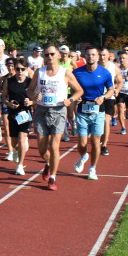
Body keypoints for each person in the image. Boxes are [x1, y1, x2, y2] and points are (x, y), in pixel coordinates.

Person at [27, 44, 82, 191]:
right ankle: (48, 163)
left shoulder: (65, 73)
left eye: (52, 54)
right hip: (41, 110)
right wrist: (34, 96)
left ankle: (53, 178)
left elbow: (79, 90)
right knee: (41, 149)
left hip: (58, 111)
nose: (49, 57)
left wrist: (70, 100)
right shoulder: (39, 72)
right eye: (47, 55)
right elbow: (30, 90)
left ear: (58, 55)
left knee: (54, 146)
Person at [71, 47, 116, 180]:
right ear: (85, 57)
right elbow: (73, 88)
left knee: (96, 143)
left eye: (93, 54)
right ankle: (84, 156)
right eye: (88, 55)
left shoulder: (105, 73)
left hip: (98, 110)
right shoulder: (77, 72)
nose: (91, 57)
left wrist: (104, 97)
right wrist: (76, 97)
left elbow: (111, 90)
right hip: (82, 110)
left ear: (97, 57)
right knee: (81, 144)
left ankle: (92, 168)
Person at [1, 56, 33, 176]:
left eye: (22, 69)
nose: (20, 72)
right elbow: (4, 97)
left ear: (26, 69)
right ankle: (15, 150)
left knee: (22, 138)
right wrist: (9, 103)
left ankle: (20, 165)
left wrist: (30, 102)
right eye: (17, 69)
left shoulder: (30, 82)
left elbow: (36, 98)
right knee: (15, 142)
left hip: (25, 114)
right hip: (13, 114)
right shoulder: (9, 82)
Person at [98, 46, 124, 156]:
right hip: (96, 98)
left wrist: (117, 89)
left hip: (109, 97)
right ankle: (98, 138)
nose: (102, 57)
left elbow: (120, 81)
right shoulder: (94, 67)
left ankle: (104, 145)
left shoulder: (114, 68)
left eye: (104, 55)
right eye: (100, 55)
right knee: (97, 122)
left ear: (109, 55)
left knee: (106, 120)